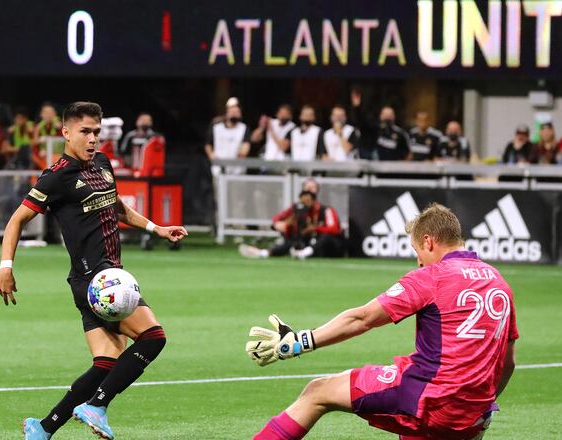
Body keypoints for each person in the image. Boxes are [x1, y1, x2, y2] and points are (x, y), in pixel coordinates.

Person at [0, 102, 187, 440]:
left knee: (106, 362)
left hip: (106, 275)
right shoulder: (57, 176)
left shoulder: (102, 164)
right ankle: (97, 406)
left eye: (96, 132)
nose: (92, 139)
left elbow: (117, 207)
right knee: (153, 337)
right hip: (96, 281)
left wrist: (156, 228)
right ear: (66, 132)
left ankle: (43, 428)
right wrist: (6, 267)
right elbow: (17, 220)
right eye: (85, 131)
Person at [247, 204, 517, 440]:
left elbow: (362, 318)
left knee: (318, 392)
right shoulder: (499, 283)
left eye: (417, 250)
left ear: (429, 241)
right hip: (474, 414)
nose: (418, 261)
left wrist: (300, 343)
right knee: (411, 422)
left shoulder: (432, 276)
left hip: (432, 400)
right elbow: (507, 364)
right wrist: (477, 406)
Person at [238, 190, 342, 259]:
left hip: (333, 245)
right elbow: (279, 218)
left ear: (314, 201)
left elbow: (334, 229)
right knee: (295, 239)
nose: (305, 205)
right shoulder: (300, 211)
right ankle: (264, 253)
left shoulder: (326, 210)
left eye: (308, 202)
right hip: (313, 243)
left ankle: (305, 252)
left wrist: (315, 229)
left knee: (325, 236)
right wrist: (284, 224)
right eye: (303, 202)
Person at [205, 102, 251, 175]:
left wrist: (241, 155)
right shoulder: (217, 127)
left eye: (237, 112)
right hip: (219, 168)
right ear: (227, 113)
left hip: (237, 169)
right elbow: (208, 144)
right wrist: (211, 155)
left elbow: (246, 145)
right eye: (232, 112)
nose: (234, 114)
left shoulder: (244, 128)